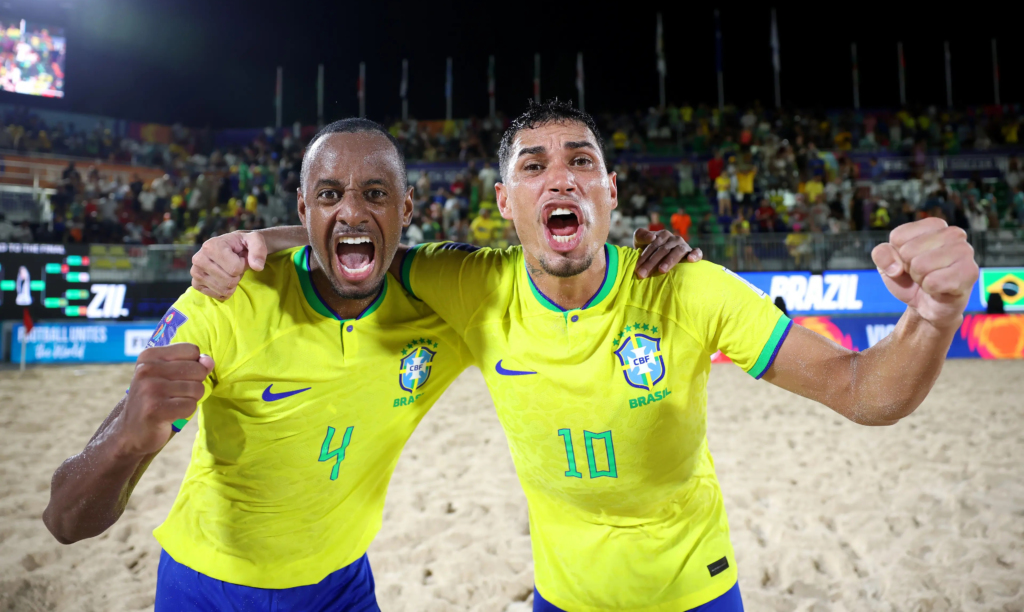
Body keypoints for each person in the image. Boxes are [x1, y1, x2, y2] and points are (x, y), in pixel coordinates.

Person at [198, 100, 978, 612]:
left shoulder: (687, 286)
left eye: (580, 162)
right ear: (504, 203)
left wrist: (935, 313)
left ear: (610, 191)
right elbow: (357, 235)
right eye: (532, 166)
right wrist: (256, 239)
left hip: (694, 592)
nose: (559, 178)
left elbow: (862, 389)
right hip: (561, 598)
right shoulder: (471, 283)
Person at [45, 117, 698, 612]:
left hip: (343, 587)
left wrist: (657, 256)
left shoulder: (442, 305)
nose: (353, 210)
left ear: (406, 209)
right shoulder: (228, 299)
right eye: (328, 194)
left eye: (375, 193)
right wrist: (127, 438)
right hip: (207, 587)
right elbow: (66, 521)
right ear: (303, 209)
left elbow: (559, 276)